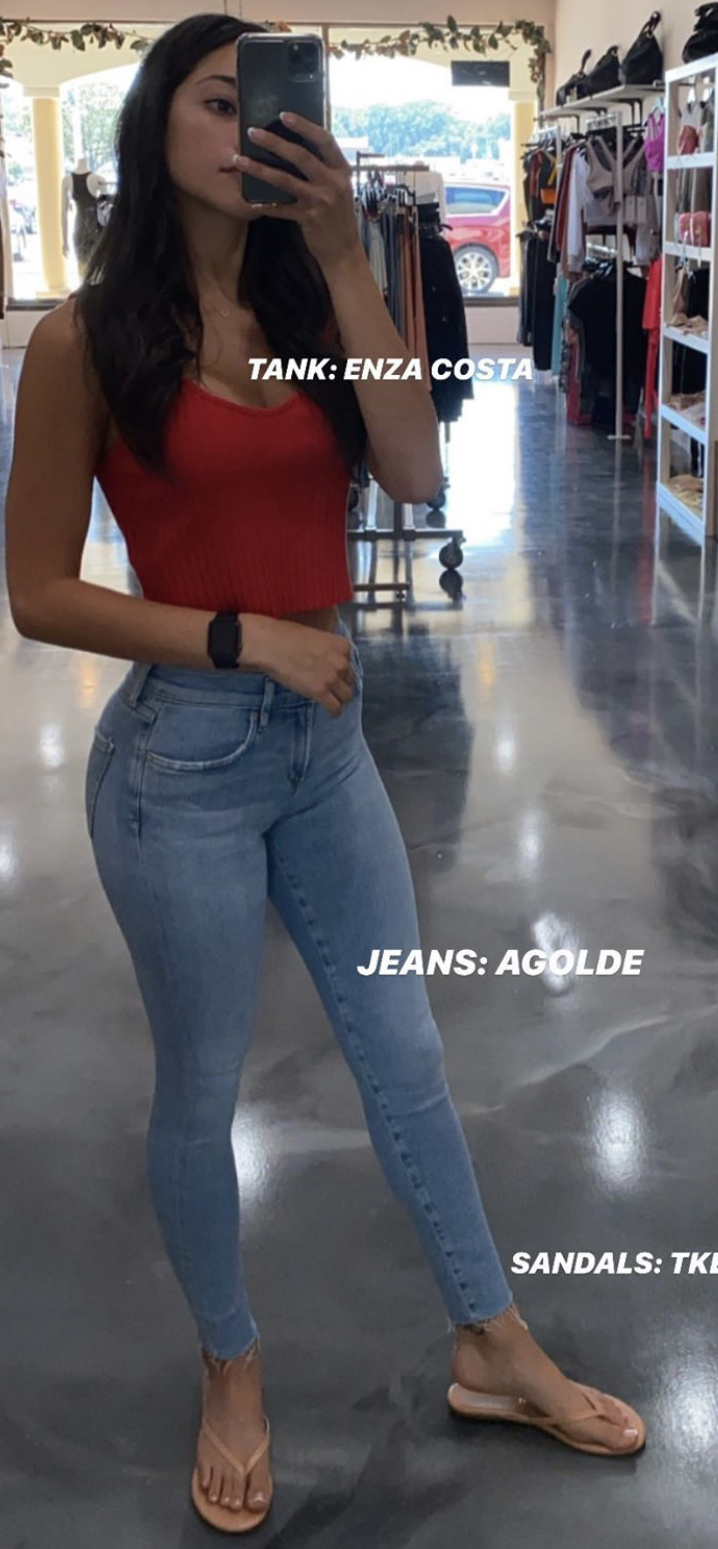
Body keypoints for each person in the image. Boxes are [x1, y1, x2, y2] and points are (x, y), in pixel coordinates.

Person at [4, 13, 646, 1537]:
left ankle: (490, 1340)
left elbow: (415, 474)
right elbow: (37, 593)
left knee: (404, 1052)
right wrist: (242, 638)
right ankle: (231, 1366)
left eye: (269, 104)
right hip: (182, 759)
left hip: (325, 747)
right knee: (200, 1085)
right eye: (215, 103)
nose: (248, 129)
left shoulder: (310, 309)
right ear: (153, 128)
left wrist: (352, 251)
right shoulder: (87, 339)